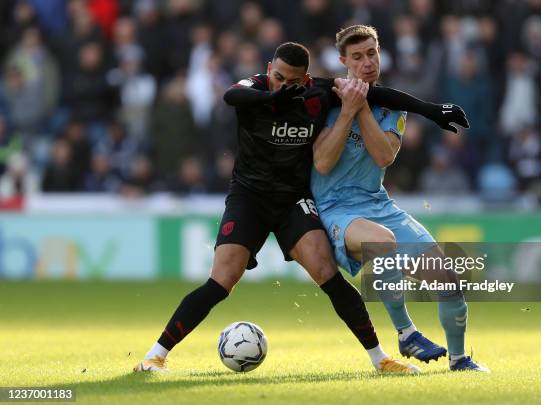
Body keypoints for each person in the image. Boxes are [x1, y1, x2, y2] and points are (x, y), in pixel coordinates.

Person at [134, 41, 469, 374]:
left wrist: (432, 110)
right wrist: (273, 97)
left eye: (291, 81)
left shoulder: (317, 93)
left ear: (305, 79)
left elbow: (377, 95)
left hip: (294, 198)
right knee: (222, 280)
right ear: (269, 69)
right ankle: (155, 355)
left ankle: (380, 359)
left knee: (328, 275)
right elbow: (231, 96)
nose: (283, 84)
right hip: (249, 197)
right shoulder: (254, 87)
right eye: (277, 77)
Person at [311, 25, 489, 372]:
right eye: (358, 57)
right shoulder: (326, 103)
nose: (366, 63)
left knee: (448, 280)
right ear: (343, 61)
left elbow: (384, 157)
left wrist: (361, 106)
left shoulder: (392, 106)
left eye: (372, 53)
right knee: (382, 242)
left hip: (379, 205)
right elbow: (321, 161)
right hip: (335, 209)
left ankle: (459, 359)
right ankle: (406, 332)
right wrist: (348, 109)